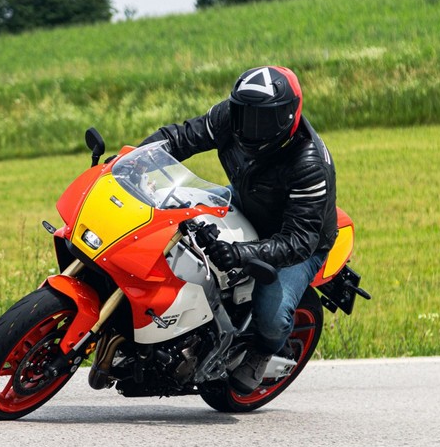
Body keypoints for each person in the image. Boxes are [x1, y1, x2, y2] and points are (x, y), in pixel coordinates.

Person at [139, 65, 337, 394]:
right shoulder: (230, 116)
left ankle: (264, 350)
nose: (251, 127)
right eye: (245, 114)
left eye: (263, 119)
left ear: (289, 116)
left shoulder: (309, 163)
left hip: (296, 238)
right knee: (166, 214)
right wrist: (136, 157)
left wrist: (240, 254)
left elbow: (299, 240)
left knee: (271, 314)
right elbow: (182, 137)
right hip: (244, 200)